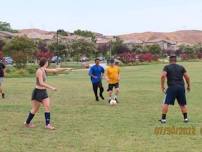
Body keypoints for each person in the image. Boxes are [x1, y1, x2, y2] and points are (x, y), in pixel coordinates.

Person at [24, 58, 72, 129]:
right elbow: (41, 83)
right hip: (38, 92)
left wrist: (66, 68)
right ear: (45, 63)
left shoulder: (44, 69)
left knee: (47, 106)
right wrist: (51, 87)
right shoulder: (39, 71)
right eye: (47, 62)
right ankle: (27, 123)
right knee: (35, 109)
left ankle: (47, 124)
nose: (48, 63)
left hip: (44, 92)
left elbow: (55, 70)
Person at [159, 55, 191, 123]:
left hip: (172, 87)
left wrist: (162, 86)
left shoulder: (167, 67)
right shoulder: (181, 67)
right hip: (181, 88)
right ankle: (185, 119)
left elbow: (162, 76)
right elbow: (187, 77)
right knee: (182, 104)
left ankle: (163, 119)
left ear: (169, 61)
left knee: (166, 103)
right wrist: (188, 85)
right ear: (176, 60)